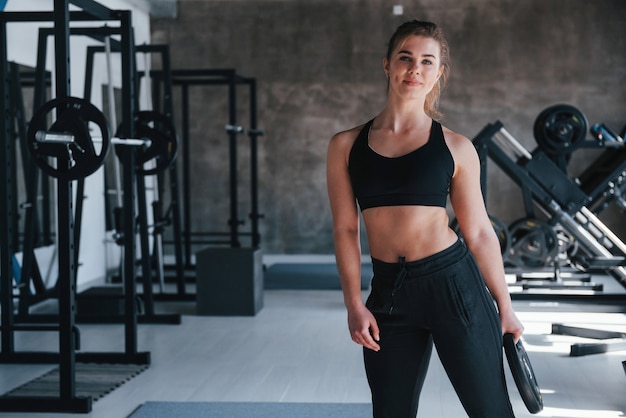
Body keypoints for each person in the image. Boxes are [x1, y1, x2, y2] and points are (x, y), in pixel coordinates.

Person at [326, 19, 524, 418]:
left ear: (438, 74)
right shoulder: (345, 146)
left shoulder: (455, 146)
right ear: (387, 65)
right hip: (389, 293)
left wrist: (504, 304)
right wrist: (352, 304)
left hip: (453, 286)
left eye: (426, 62)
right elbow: (346, 229)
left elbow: (481, 233)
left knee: (490, 410)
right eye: (405, 58)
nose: (414, 69)